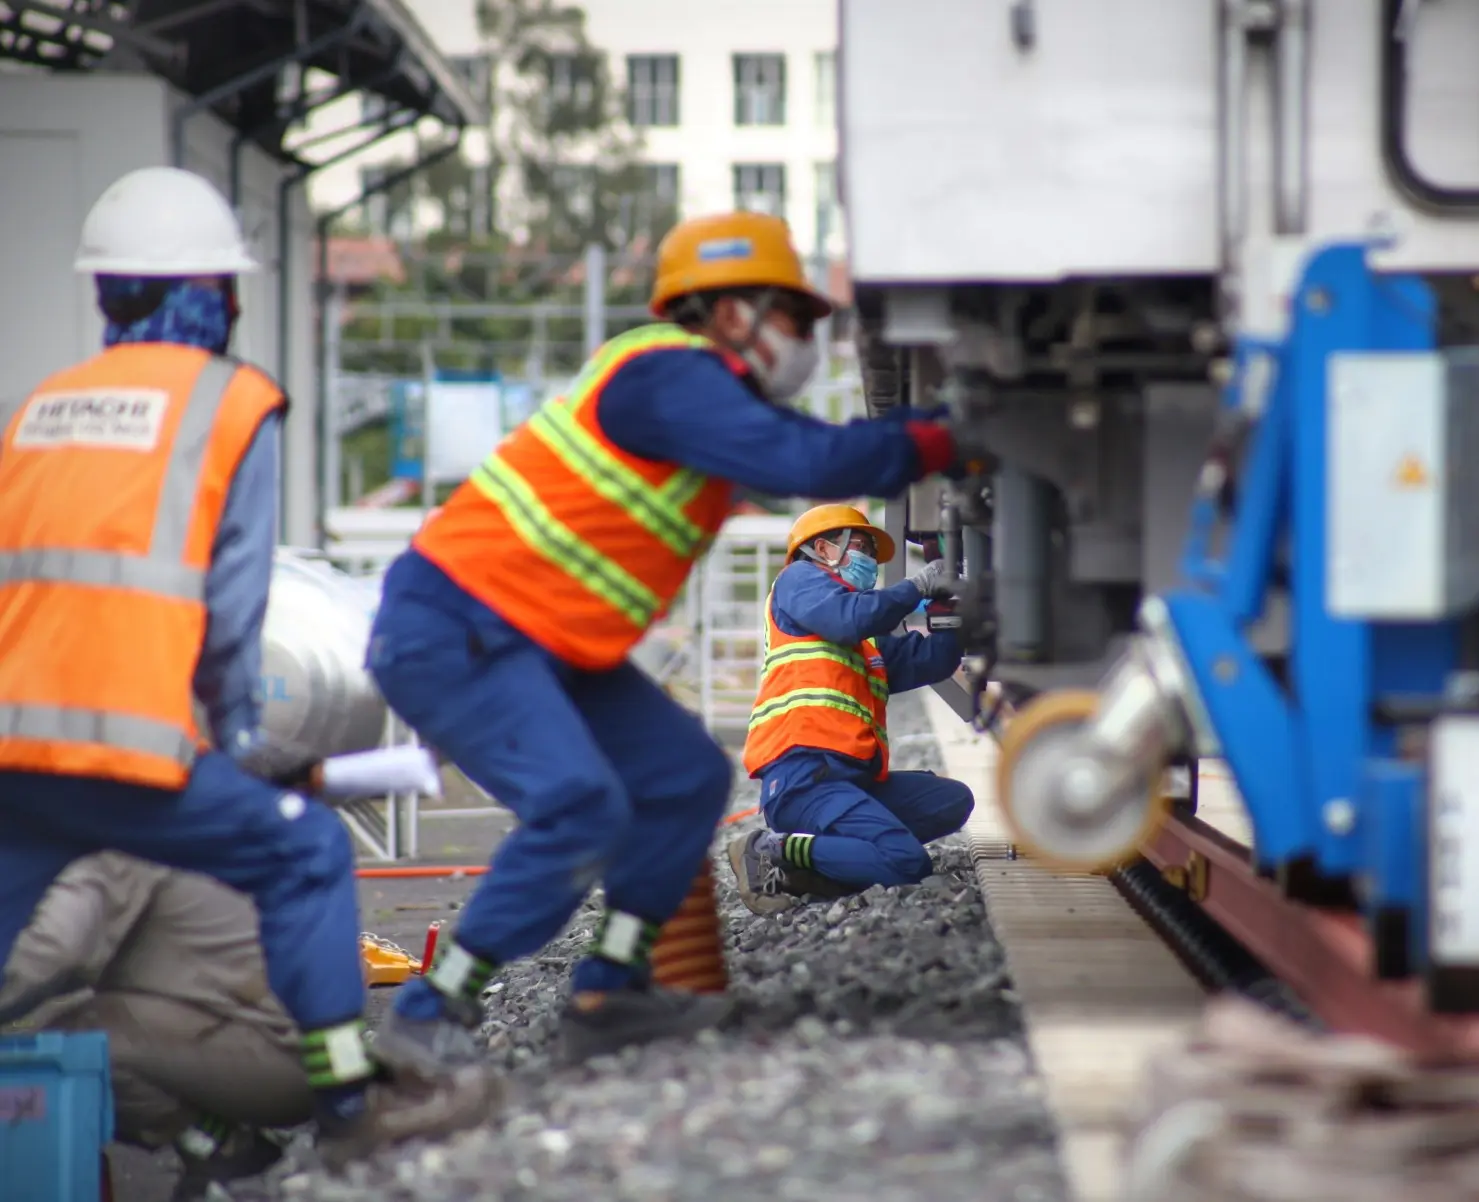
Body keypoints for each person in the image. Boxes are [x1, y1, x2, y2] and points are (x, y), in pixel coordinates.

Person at [363, 210, 968, 1074]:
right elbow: (809, 460)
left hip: (540, 640)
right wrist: (952, 434)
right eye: (794, 320)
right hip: (458, 624)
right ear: (731, 314)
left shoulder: (697, 408)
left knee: (684, 777)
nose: (804, 343)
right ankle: (429, 1013)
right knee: (580, 807)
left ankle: (611, 994)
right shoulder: (665, 375)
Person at [0, 166, 496, 1170]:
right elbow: (232, 609)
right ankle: (351, 1099)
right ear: (213, 292)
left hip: (17, 743)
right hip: (136, 745)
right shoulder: (229, 402)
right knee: (305, 847)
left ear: (107, 291)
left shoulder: (39, 408)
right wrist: (232, 738)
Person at [0, 854, 308, 1200]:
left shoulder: (108, 842)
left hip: (277, 1053)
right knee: (78, 1025)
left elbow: (50, 954)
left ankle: (225, 1151)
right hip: (280, 1036)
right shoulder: (145, 822)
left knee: (76, 1044)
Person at [726, 505, 975, 915]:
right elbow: (849, 617)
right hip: (804, 778)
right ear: (822, 548)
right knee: (906, 861)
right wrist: (916, 586)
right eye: (859, 546)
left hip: (850, 780)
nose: (868, 561)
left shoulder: (865, 644)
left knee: (951, 801)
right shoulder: (798, 581)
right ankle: (773, 849)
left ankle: (825, 863)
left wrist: (948, 604)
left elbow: (934, 660)